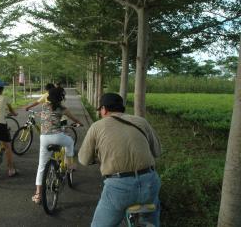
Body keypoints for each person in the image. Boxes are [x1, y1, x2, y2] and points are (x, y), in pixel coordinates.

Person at [78, 93, 162, 227]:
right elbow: (157, 151)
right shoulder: (141, 122)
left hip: (119, 188)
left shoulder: (97, 126)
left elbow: (83, 160)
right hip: (150, 183)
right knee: (151, 221)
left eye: (100, 110)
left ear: (104, 109)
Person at [32, 88, 83, 204]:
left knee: (41, 166)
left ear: (49, 97)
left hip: (44, 137)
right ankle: (69, 165)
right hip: (58, 136)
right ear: (61, 98)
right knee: (70, 142)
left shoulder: (44, 106)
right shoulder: (62, 109)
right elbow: (74, 119)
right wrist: (80, 123)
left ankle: (38, 195)